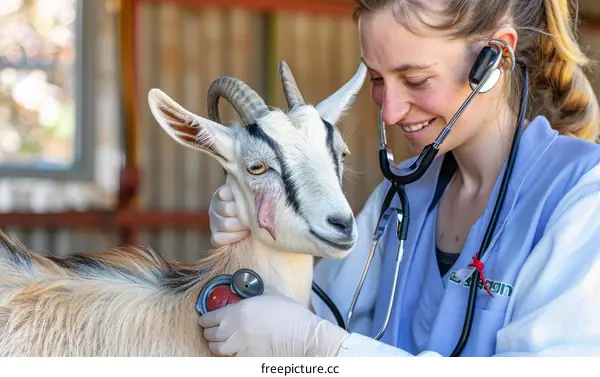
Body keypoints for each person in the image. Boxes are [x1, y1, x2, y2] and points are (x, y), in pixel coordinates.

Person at [197, 0, 600, 357]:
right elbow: (308, 316)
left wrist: (326, 348)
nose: (389, 111)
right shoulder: (403, 193)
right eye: (376, 79)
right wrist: (263, 234)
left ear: (494, 61)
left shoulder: (583, 195)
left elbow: (315, 337)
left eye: (415, 80)